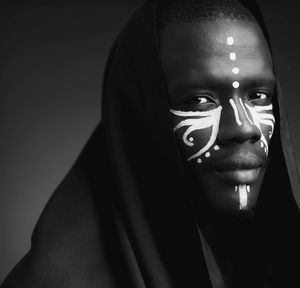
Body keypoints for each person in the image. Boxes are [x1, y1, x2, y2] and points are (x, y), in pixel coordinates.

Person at [2, 0, 300, 287]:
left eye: (259, 95)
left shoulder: (279, 266)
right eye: (199, 100)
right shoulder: (55, 282)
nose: (244, 127)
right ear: (141, 114)